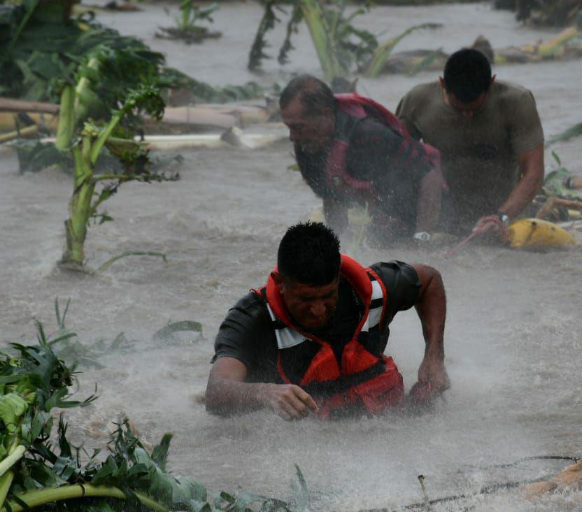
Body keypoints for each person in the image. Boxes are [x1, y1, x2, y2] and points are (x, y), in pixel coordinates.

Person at [205, 222, 450, 421]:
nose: (319, 310)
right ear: (280, 284)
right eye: (306, 299)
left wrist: (434, 355)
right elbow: (215, 392)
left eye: (328, 296)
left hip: (385, 413)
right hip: (310, 426)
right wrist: (264, 393)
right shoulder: (253, 319)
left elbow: (429, 280)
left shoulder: (372, 291)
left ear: (338, 277)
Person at [396, 48, 545, 243]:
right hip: (439, 221)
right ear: (443, 84)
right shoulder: (417, 102)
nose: (467, 116)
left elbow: (534, 173)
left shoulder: (516, 102)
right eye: (458, 108)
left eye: (475, 109)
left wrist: (501, 217)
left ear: (491, 84)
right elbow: (395, 162)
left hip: (502, 220)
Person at [280, 75, 447, 245]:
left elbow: (430, 176)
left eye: (298, 127)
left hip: (436, 217)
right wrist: (338, 246)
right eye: (289, 127)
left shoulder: (369, 133)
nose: (293, 137)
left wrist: (422, 238)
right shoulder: (306, 144)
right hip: (385, 221)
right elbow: (332, 198)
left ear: (326, 115)